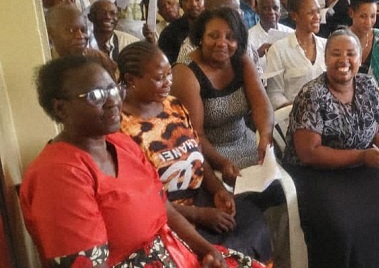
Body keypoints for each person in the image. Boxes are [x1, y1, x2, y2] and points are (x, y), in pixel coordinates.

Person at [21, 55, 265, 267]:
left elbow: (164, 209)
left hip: (177, 254)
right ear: (61, 109)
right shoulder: (58, 176)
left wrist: (207, 250)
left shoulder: (120, 143)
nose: (112, 101)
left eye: (113, 89)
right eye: (96, 95)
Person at [118, 41, 272, 262]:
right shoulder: (121, 126)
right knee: (219, 248)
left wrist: (218, 190)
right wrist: (200, 215)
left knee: (253, 222)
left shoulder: (172, 105)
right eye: (158, 78)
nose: (167, 83)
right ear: (132, 80)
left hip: (200, 195)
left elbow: (196, 153)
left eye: (168, 75)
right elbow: (143, 198)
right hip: (168, 214)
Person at [283, 29, 379, 267]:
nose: (344, 61)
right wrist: (362, 155)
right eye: (335, 54)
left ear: (360, 59)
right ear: (325, 58)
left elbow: (376, 133)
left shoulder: (369, 86)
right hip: (315, 172)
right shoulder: (312, 95)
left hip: (358, 167)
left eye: (351, 54)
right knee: (341, 225)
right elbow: (309, 154)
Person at [170, 7, 273, 184]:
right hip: (208, 153)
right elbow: (195, 134)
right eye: (213, 36)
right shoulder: (185, 72)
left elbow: (261, 104)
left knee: (275, 189)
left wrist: (265, 134)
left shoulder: (240, 60)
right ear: (200, 37)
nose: (222, 43)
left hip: (245, 141)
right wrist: (222, 163)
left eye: (230, 37)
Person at [265, 0, 327, 109]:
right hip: (293, 120)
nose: (317, 16)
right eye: (310, 13)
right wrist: (298, 109)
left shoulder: (328, 46)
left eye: (318, 11)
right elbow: (274, 94)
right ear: (294, 16)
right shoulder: (279, 50)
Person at [46, 4, 117, 76]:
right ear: (51, 33)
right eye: (71, 30)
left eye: (83, 30)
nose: (80, 36)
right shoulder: (43, 59)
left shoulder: (98, 58)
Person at [347, 0, 379, 85]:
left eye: (373, 16)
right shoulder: (340, 39)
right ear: (351, 13)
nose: (368, 22)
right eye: (363, 16)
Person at [159, 0, 206, 64]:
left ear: (204, 3)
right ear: (180, 5)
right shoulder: (170, 33)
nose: (193, 4)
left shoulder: (211, 27)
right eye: (187, 0)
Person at [248, 0, 294, 72]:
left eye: (275, 8)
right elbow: (243, 68)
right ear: (257, 10)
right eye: (266, 8)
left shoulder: (290, 33)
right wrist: (257, 54)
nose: (271, 12)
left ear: (280, 11)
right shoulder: (248, 37)